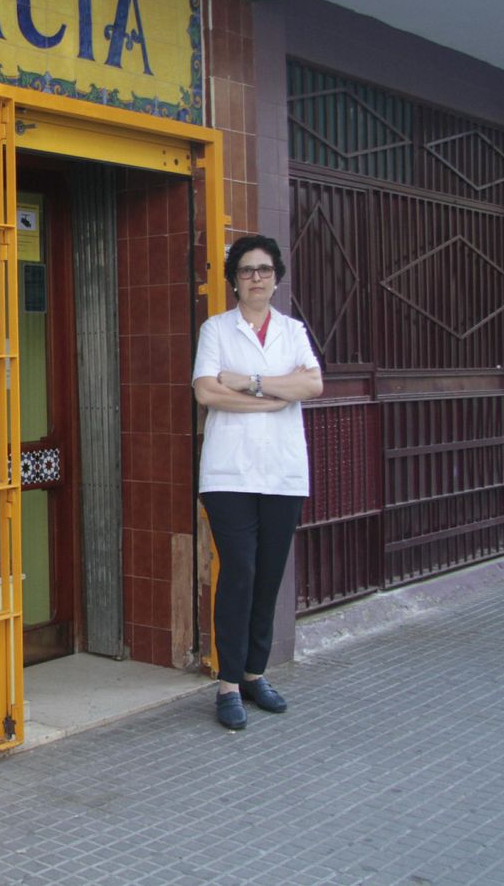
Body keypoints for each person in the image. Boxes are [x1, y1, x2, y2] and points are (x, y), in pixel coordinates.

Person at [192, 235, 323, 731]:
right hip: (228, 473)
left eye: (264, 269)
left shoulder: (292, 331)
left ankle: (254, 673)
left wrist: (246, 383)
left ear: (276, 277)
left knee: (268, 576)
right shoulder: (216, 330)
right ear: (233, 279)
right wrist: (275, 395)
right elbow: (207, 392)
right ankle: (227, 685)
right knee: (239, 573)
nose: (256, 278)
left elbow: (312, 384)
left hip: (284, 474)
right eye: (246, 270)